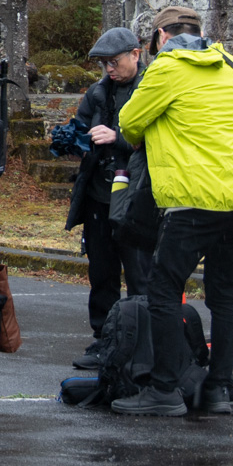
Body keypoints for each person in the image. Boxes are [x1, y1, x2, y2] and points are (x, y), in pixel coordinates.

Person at [112, 10, 233, 416]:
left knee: (163, 289)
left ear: (161, 36)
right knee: (224, 296)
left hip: (192, 200)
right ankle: (217, 388)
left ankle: (163, 389)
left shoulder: (168, 68)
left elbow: (128, 124)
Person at [61, 25, 149, 366]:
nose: (110, 69)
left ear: (136, 54)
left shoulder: (150, 89)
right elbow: (83, 127)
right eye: (104, 64)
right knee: (101, 273)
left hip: (136, 195)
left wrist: (117, 138)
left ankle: (142, 340)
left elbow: (155, 139)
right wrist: (70, 140)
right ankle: (104, 340)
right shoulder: (98, 93)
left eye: (114, 62)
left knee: (140, 273)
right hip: (99, 193)